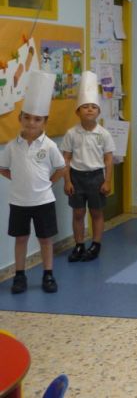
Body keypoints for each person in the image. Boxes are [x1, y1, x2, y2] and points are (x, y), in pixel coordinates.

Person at [0, 71, 65, 294]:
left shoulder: (49, 146)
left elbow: (61, 168)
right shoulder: (12, 146)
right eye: (27, 117)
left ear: (45, 122)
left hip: (43, 201)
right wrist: (18, 179)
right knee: (21, 239)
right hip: (19, 201)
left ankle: (48, 274)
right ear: (20, 118)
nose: (31, 123)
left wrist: (48, 182)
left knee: (45, 239)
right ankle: (20, 275)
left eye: (37, 119)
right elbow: (3, 168)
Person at [62, 71, 115, 263]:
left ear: (99, 112)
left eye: (93, 107)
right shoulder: (71, 133)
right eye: (85, 107)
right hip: (76, 177)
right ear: (78, 111)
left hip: (96, 177)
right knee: (78, 212)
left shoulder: (104, 134)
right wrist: (67, 181)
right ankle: (79, 245)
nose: (90, 110)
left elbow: (108, 160)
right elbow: (66, 159)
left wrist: (107, 181)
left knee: (96, 212)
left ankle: (96, 244)